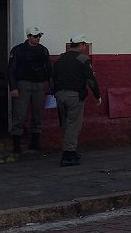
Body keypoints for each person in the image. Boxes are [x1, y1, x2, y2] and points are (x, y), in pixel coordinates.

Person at [50, 34, 101, 167]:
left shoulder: (60, 58)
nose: (85, 47)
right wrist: (97, 95)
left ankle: (71, 151)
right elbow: (90, 80)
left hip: (60, 95)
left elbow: (52, 77)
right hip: (74, 96)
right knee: (73, 125)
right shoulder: (83, 59)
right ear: (80, 45)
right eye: (84, 45)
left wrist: (55, 92)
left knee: (67, 124)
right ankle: (68, 154)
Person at [8, 26, 52, 153]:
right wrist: (13, 87)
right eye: (35, 36)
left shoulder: (43, 50)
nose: (38, 38)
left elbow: (49, 69)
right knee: (20, 114)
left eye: (39, 36)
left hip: (39, 84)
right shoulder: (18, 50)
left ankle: (35, 141)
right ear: (28, 36)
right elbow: (11, 70)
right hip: (23, 83)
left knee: (37, 113)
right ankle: (16, 142)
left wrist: (52, 86)